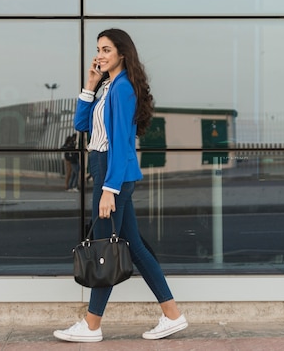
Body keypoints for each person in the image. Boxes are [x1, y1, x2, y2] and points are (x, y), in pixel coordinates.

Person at [54, 28, 187, 343]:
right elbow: (81, 125)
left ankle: (91, 325)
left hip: (113, 172)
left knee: (103, 249)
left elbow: (122, 144)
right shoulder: (109, 87)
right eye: (98, 49)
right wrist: (89, 87)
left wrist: (109, 189)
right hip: (106, 168)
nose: (99, 55)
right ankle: (172, 315)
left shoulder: (123, 88)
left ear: (122, 54)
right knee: (135, 248)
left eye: (106, 49)